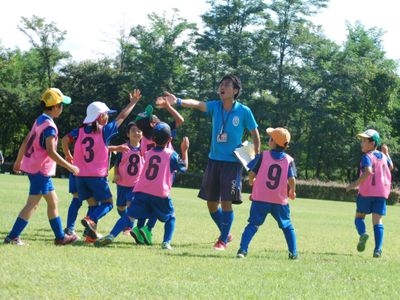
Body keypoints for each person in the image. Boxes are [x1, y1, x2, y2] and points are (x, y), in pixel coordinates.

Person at [157, 74, 260, 251]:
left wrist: (255, 160)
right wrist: (179, 101)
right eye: (221, 84)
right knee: (212, 203)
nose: (222, 87)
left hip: (232, 163)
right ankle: (225, 232)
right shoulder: (215, 106)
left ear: (235, 91)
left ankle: (222, 241)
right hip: (213, 161)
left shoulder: (244, 111)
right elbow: (197, 104)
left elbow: (255, 135)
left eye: (227, 85)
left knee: (227, 201)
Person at [62, 89, 141, 241]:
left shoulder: (78, 131)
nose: (108, 116)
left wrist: (68, 154)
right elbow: (122, 116)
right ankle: (90, 220)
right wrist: (133, 103)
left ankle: (89, 236)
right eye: (106, 114)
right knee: (108, 204)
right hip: (96, 177)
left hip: (80, 177)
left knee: (93, 204)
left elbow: (64, 140)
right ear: (100, 116)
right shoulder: (104, 131)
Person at [95, 122, 189, 250]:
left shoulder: (147, 153)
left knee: (129, 216)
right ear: (170, 140)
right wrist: (184, 150)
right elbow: (184, 167)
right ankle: (166, 243)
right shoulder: (171, 154)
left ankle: (111, 235)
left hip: (141, 191)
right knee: (170, 218)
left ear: (153, 139)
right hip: (160, 192)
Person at [4, 88, 79, 246]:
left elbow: (26, 141)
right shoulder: (49, 127)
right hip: (40, 171)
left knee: (53, 201)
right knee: (33, 204)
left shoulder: (40, 120)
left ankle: (60, 237)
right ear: (56, 107)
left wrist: (19, 161)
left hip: (35, 169)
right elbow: (51, 152)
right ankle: (12, 237)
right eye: (61, 105)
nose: (62, 108)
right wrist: (70, 167)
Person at [236, 128, 298, 259]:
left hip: (261, 199)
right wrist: (292, 190)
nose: (268, 140)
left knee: (253, 225)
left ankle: (242, 250)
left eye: (270, 138)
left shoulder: (263, 156)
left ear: (273, 142)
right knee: (287, 227)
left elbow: (252, 173)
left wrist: (252, 181)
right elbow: (292, 179)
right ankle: (293, 253)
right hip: (279, 200)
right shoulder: (289, 160)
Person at [129, 101, 184, 244]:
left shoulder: (149, 138)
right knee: (159, 204)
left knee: (148, 204)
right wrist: (168, 106)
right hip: (165, 176)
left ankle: (141, 230)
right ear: (152, 124)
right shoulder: (163, 130)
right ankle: (148, 229)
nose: (155, 116)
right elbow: (180, 120)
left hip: (147, 180)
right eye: (152, 116)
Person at [346, 129, 393, 258]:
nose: (361, 143)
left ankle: (363, 234)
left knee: (359, 218)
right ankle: (378, 249)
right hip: (382, 193)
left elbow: (368, 172)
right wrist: (387, 153)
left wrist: (353, 185)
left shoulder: (367, 156)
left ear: (372, 143)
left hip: (366, 193)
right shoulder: (383, 156)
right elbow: (391, 166)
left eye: (364, 141)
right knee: (377, 221)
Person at [113, 121, 144, 236]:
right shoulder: (123, 148)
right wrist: (116, 174)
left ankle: (129, 227)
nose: (136, 133)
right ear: (127, 134)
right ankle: (127, 222)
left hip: (135, 184)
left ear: (142, 134)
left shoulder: (144, 149)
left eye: (139, 131)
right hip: (122, 183)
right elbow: (117, 164)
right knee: (120, 207)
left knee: (131, 206)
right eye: (133, 130)